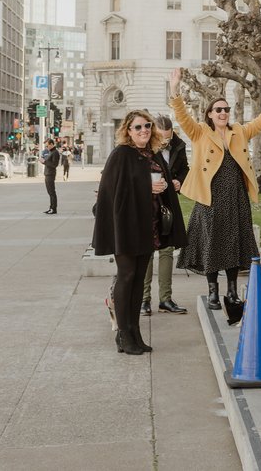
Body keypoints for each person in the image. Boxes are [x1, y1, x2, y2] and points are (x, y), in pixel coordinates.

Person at [168, 68, 261, 315]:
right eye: (218, 110)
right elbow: (181, 116)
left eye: (226, 110)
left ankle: (232, 290)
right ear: (210, 114)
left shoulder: (240, 132)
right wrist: (175, 88)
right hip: (210, 197)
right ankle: (213, 290)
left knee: (234, 243)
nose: (223, 113)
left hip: (236, 196)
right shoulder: (200, 132)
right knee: (212, 243)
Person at [92, 109, 187, 355]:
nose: (143, 130)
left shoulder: (152, 154)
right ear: (128, 131)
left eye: (147, 126)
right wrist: (147, 185)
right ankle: (123, 334)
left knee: (138, 279)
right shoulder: (121, 154)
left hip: (148, 226)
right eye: (138, 127)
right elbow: (113, 190)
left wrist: (164, 184)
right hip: (126, 226)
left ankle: (134, 332)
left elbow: (161, 182)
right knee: (126, 276)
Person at [141, 115, 190, 315]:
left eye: (167, 138)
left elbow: (185, 170)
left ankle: (165, 299)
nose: (164, 142)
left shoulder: (178, 145)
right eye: (161, 138)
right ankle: (144, 299)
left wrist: (179, 181)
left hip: (168, 201)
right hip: (146, 203)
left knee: (167, 249)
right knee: (146, 250)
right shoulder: (144, 148)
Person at [42, 139, 60, 214]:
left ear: (52, 144)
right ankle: (51, 207)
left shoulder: (55, 152)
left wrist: (44, 162)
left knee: (52, 192)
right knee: (50, 192)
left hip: (50, 174)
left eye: (47, 145)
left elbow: (54, 165)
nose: (46, 147)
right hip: (47, 174)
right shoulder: (51, 152)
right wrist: (44, 162)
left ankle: (53, 208)